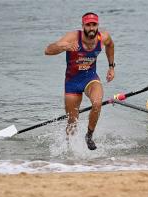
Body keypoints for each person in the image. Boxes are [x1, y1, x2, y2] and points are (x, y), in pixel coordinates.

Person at [44, 12, 115, 150]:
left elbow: (110, 45)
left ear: (97, 26)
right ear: (83, 26)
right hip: (72, 82)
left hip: (90, 78)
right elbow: (47, 50)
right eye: (88, 25)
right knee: (72, 122)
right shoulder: (72, 37)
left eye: (94, 25)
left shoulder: (103, 37)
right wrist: (64, 47)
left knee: (97, 102)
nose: (91, 28)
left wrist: (111, 67)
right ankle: (70, 152)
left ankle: (89, 135)